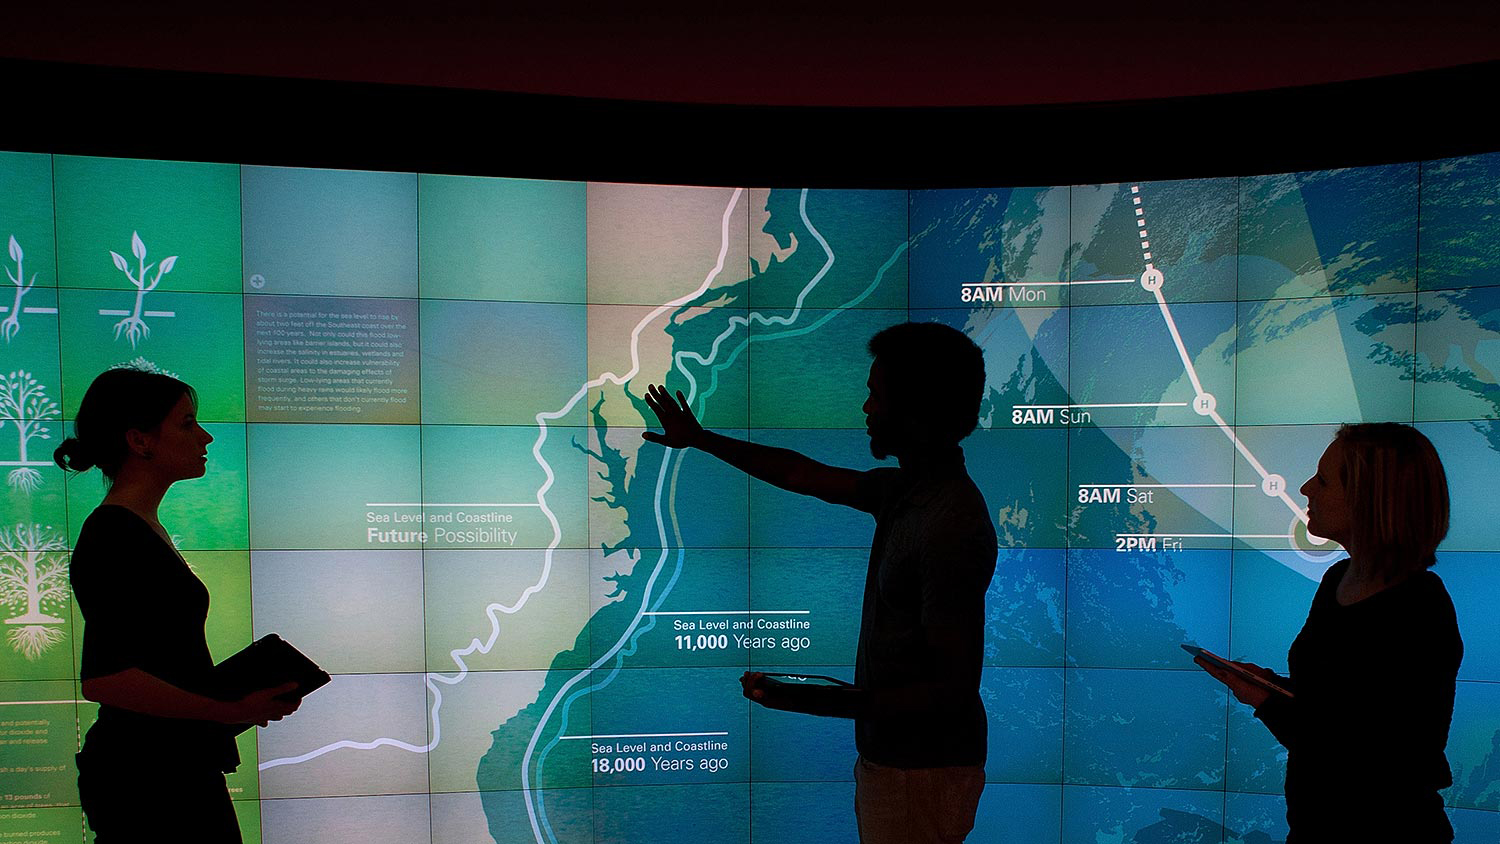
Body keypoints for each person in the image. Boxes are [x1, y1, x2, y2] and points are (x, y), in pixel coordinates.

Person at [641, 321, 997, 844]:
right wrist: (700, 440)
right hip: (901, 767)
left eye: (877, 395)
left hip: (920, 775)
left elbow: (949, 693)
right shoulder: (909, 492)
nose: (867, 409)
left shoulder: (948, 523)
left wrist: (806, 699)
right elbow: (802, 475)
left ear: (917, 408)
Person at [54, 367, 301, 843]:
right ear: (140, 440)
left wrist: (233, 700)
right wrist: (225, 709)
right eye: (187, 423)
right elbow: (108, 679)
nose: (205, 436)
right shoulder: (114, 534)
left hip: (167, 768)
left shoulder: (137, 528)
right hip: (148, 780)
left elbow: (155, 659)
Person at [1193, 423, 1462, 843]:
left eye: (1322, 479)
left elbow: (1377, 754)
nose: (1304, 488)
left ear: (1367, 498)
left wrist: (1268, 701)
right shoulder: (1339, 577)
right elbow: (1330, 712)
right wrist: (1269, 689)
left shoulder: (1419, 607)